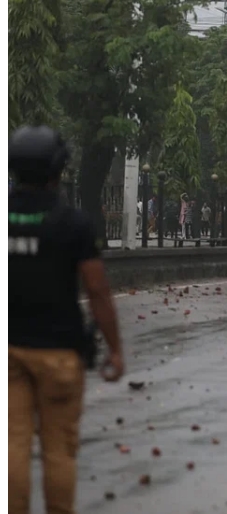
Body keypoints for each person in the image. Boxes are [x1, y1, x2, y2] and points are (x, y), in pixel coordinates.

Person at [9, 126, 125, 514]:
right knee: (59, 451)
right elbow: (97, 291)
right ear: (58, 171)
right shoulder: (74, 224)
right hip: (60, 353)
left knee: (11, 447)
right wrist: (116, 349)